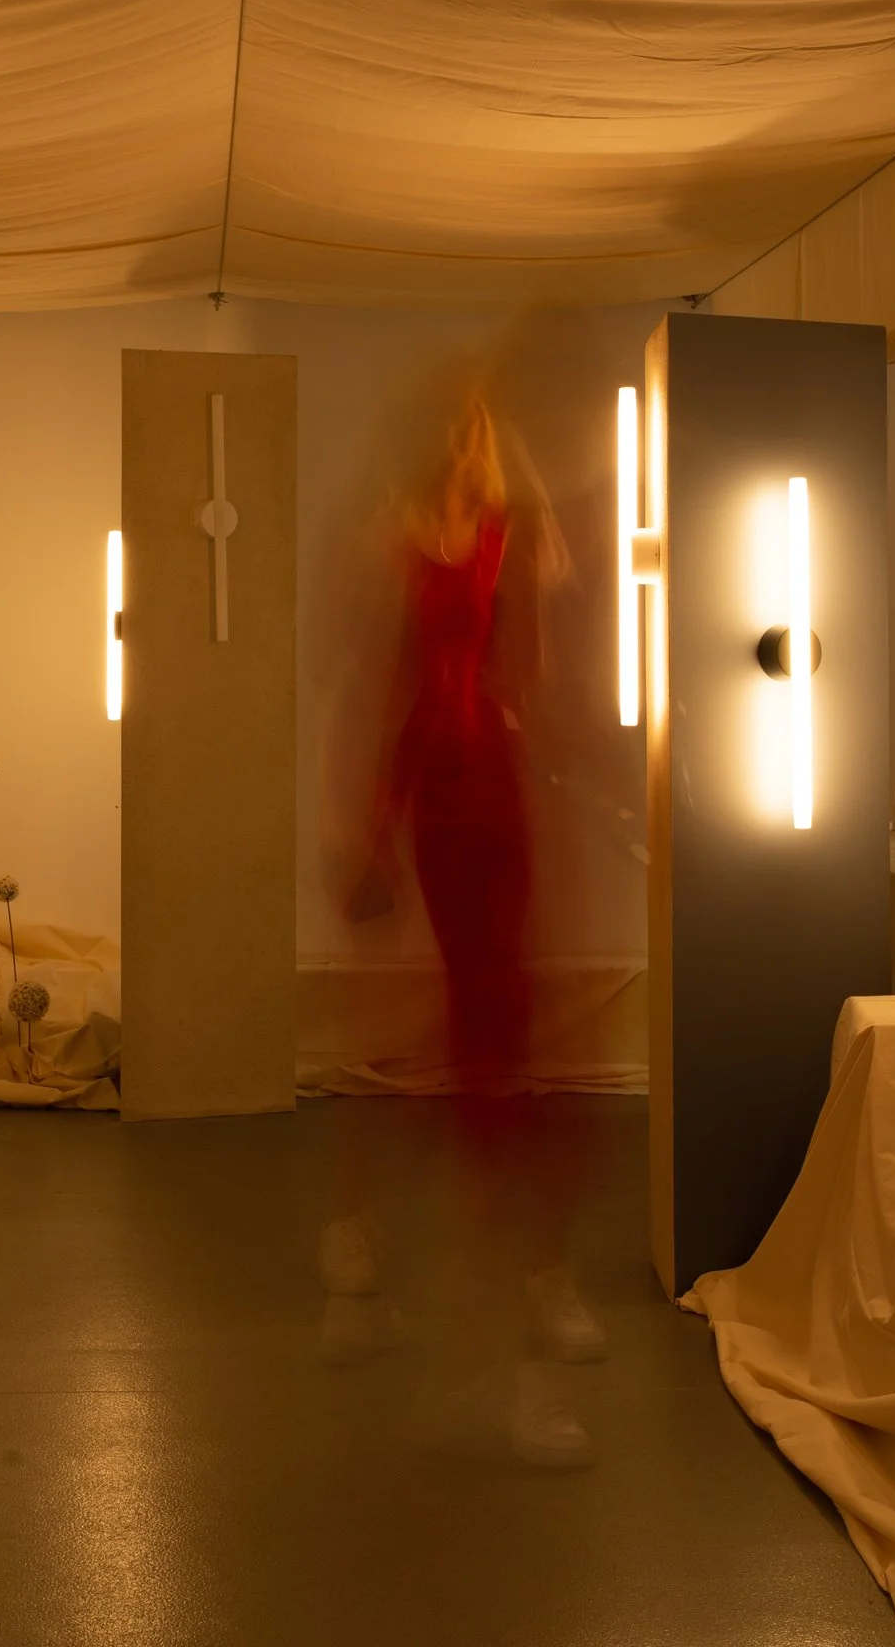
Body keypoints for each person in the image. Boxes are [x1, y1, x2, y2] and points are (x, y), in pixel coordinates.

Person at [319, 391, 606, 1466]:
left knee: (504, 1024)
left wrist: (552, 739)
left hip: (494, 779)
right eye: (446, 420)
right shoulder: (393, 540)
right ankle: (419, 1272)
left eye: (473, 420)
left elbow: (535, 668)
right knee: (447, 1027)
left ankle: (523, 1291)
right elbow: (383, 684)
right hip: (431, 785)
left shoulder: (510, 531)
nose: (459, 435)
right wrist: (366, 830)